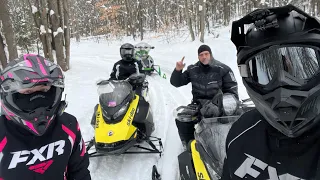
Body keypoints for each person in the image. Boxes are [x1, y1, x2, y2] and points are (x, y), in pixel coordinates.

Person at [222, 5, 320, 179]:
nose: (283, 85)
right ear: (247, 76)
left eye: (298, 69)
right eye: (265, 72)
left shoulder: (241, 134)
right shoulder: (240, 135)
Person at [0, 54, 91, 179]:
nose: (37, 102)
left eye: (44, 91)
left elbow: (79, 171)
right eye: (27, 92)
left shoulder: (68, 125)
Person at [170, 44, 239, 147]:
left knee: (237, 118)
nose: (204, 57)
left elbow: (232, 90)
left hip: (218, 104)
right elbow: (176, 82)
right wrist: (178, 70)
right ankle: (190, 146)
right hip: (198, 105)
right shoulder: (193, 69)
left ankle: (232, 145)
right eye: (201, 55)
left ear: (210, 54)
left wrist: (222, 104)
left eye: (206, 54)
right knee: (182, 119)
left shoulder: (223, 69)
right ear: (198, 57)